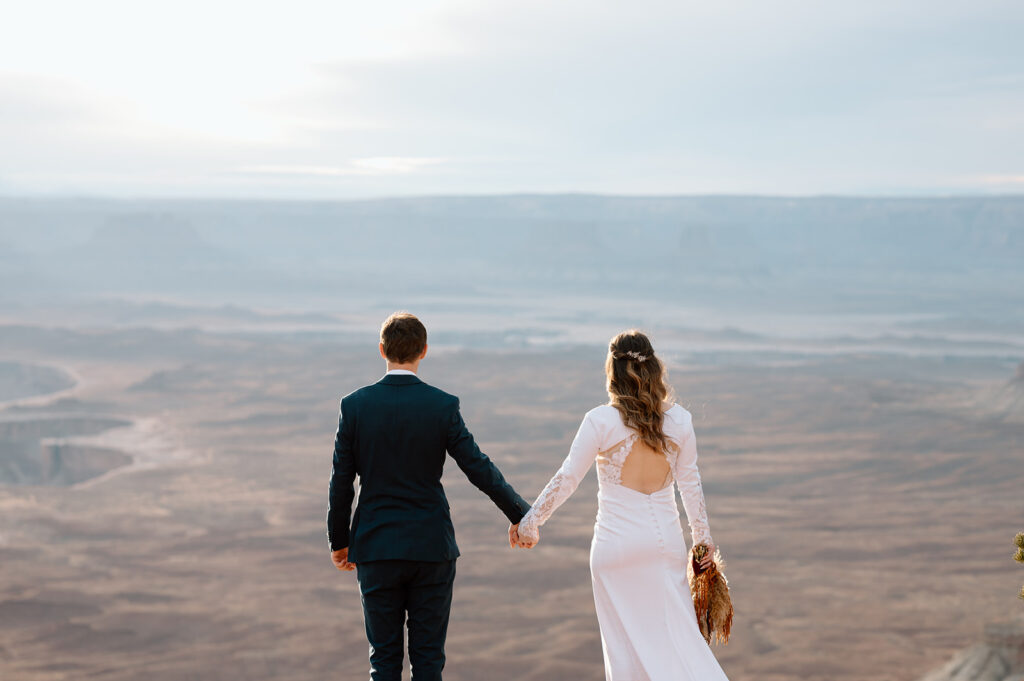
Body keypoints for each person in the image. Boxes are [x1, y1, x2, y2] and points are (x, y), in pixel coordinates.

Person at [513, 329, 730, 681]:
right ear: (654, 369)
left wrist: (530, 522)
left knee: (625, 652)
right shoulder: (680, 423)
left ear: (612, 371)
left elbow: (568, 477)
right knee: (679, 644)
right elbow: (691, 485)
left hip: (615, 551)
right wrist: (704, 542)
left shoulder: (600, 421)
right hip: (665, 549)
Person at [327, 312, 531, 681]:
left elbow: (342, 483)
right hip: (431, 548)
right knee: (428, 663)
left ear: (381, 350)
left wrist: (339, 541)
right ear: (424, 351)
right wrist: (520, 514)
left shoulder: (354, 407)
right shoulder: (441, 406)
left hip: (376, 548)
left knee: (383, 663)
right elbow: (478, 467)